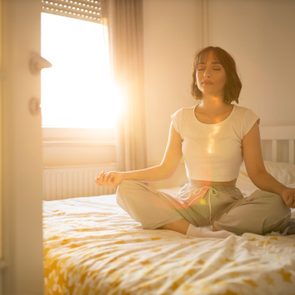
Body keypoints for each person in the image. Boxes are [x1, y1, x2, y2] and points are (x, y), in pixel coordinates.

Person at [96, 46, 295, 238]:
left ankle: (216, 228)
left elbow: (258, 173)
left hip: (229, 207)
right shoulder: (180, 118)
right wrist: (122, 176)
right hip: (188, 204)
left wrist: (284, 190)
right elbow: (165, 169)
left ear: (229, 76)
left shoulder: (246, 118)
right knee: (126, 190)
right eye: (201, 69)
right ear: (195, 76)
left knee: (277, 203)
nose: (206, 73)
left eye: (215, 68)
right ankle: (191, 231)